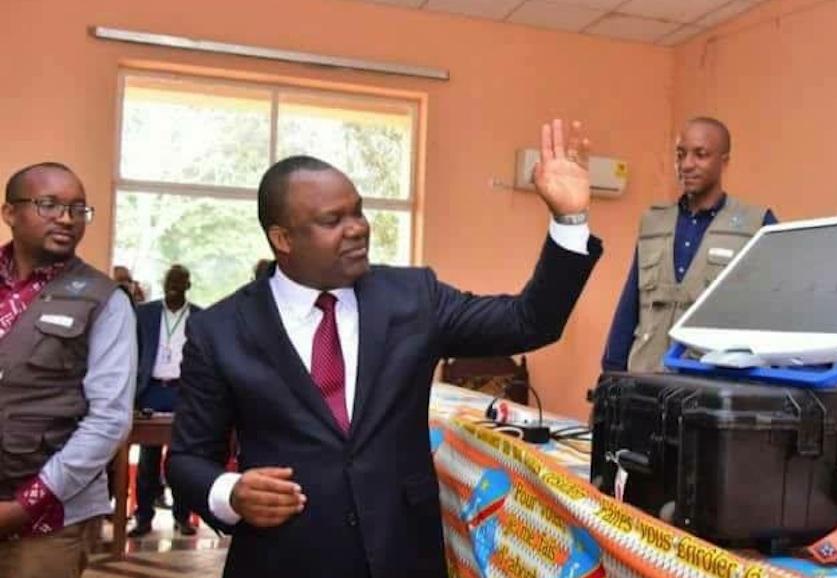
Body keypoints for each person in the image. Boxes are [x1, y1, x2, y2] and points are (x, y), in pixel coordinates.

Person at [167, 119, 601, 577]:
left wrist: (569, 220)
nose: (357, 228)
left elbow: (530, 321)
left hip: (401, 555)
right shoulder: (220, 331)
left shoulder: (414, 298)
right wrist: (231, 493)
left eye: (358, 212)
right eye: (333, 220)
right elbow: (188, 459)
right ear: (283, 239)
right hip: (282, 560)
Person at [0, 162, 136, 578]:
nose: (66, 218)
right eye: (49, 205)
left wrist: (25, 505)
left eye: (78, 209)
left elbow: (109, 418)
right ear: (10, 213)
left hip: (47, 522)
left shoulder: (104, 300)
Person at [602, 117, 777, 373]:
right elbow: (631, 301)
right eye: (681, 155)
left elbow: (772, 309)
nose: (686, 164)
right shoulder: (654, 222)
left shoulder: (756, 224)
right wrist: (612, 370)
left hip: (710, 381)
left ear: (724, 161)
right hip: (646, 376)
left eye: (700, 155)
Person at [128, 264, 201, 537]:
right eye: (169, 282)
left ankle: (182, 517)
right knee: (148, 458)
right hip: (151, 390)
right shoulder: (144, 313)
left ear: (187, 286)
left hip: (183, 392)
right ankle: (143, 518)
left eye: (179, 283)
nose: (173, 288)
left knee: (181, 457)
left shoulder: (200, 317)